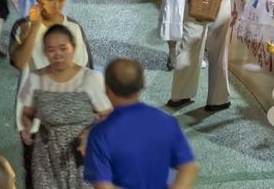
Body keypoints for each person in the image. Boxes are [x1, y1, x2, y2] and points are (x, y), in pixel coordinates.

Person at [9, 0, 94, 189]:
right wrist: (35, 27)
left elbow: (87, 73)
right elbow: (19, 61)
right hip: (35, 119)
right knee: (37, 175)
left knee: (74, 173)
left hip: (71, 119)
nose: (56, 4)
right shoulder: (23, 26)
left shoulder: (74, 28)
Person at [18, 25, 111, 189]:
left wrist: (89, 133)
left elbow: (109, 116)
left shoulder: (91, 78)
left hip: (82, 152)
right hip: (47, 156)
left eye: (63, 48)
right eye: (51, 50)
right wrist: (26, 127)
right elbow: (27, 113)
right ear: (45, 52)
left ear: (73, 47)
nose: (58, 55)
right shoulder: (35, 79)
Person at [84, 58, 199, 189]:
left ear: (107, 89)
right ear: (142, 84)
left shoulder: (100, 133)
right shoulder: (165, 121)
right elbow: (189, 167)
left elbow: (103, 186)